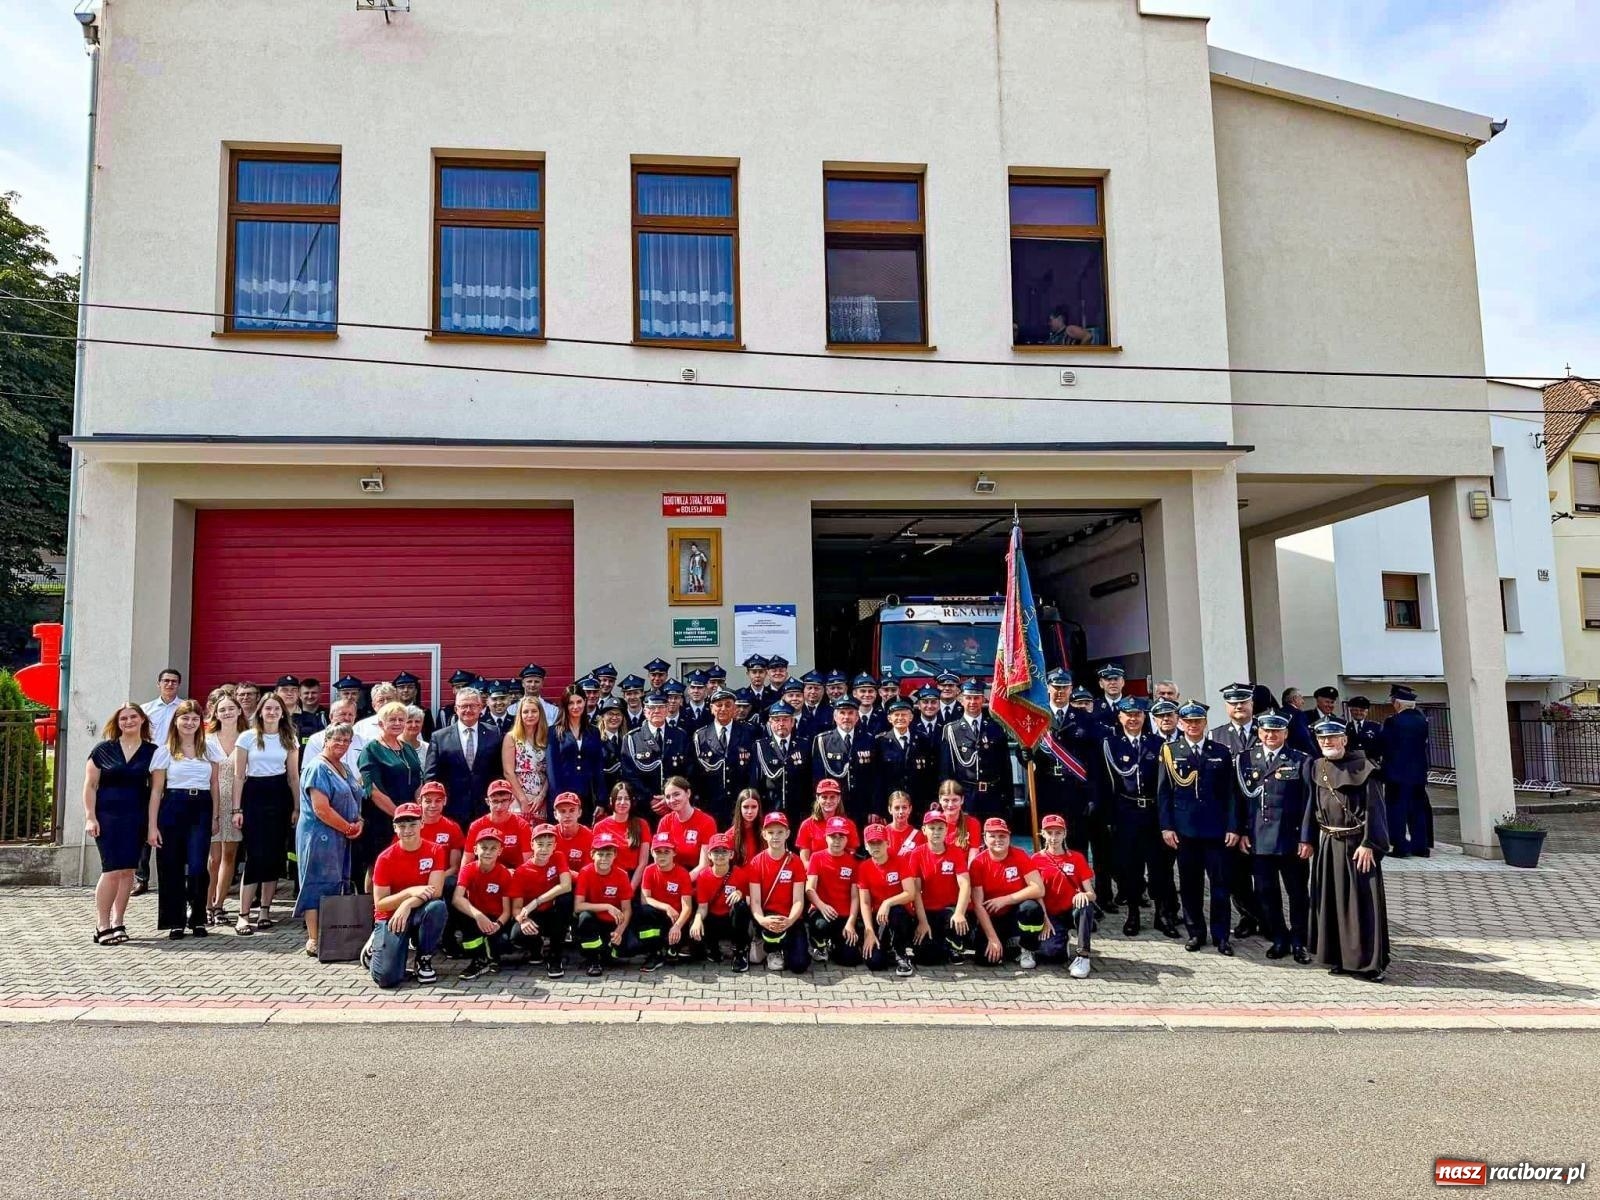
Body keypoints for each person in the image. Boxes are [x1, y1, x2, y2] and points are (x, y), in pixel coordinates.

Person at [1301, 718, 1391, 981]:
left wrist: (1369, 844)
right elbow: (1312, 806)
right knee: (1332, 903)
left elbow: (1376, 810)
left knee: (1360, 906)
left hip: (1357, 848)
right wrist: (1308, 840)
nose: (1327, 742)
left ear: (1344, 739)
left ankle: (1367, 964)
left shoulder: (1365, 768)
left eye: (1332, 737)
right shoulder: (1317, 766)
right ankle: (1339, 957)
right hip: (1329, 845)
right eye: (1322, 739)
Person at [1158, 702, 1240, 956]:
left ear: (1205, 723)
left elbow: (1230, 794)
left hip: (1216, 831)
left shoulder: (1221, 751)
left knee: (1220, 886)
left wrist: (1233, 826)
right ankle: (1196, 933)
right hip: (1185, 832)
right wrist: (1166, 827)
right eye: (1188, 721)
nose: (1193, 725)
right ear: (1180, 723)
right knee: (1190, 885)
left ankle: (1222, 936)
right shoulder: (1170, 751)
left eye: (1198, 721)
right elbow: (1163, 793)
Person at [1236, 713, 1312, 963]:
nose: (1271, 736)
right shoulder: (1246, 759)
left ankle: (1300, 940)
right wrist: (1243, 832)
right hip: (1259, 841)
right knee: (1266, 894)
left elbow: (1308, 804)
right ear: (1259, 733)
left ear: (1286, 733)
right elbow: (1240, 802)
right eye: (1266, 731)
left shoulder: (1301, 760)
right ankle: (1279, 937)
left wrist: (1306, 839)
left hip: (1291, 841)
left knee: (1298, 894)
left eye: (1277, 731)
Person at [147, 699, 222, 938]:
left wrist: (215, 816)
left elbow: (214, 785)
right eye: (185, 718)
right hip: (173, 806)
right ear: (176, 721)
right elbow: (157, 791)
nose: (190, 723)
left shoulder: (208, 748)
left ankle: (197, 916)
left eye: (194, 718)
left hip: (201, 807)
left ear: (201, 722)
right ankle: (174, 920)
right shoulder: (165, 750)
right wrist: (152, 825)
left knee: (199, 866)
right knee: (172, 865)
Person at [1103, 696, 1176, 937]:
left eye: (1138, 714)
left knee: (1160, 869)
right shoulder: (1111, 744)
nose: (1133, 718)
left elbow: (1166, 784)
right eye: (1128, 714)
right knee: (1130, 868)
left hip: (1154, 813)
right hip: (1127, 813)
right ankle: (1133, 914)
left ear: (1145, 717)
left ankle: (1161, 915)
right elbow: (1108, 783)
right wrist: (1111, 818)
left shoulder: (1158, 744)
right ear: (1120, 717)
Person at [84, 703, 156, 944]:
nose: (128, 721)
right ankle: (101, 924)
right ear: (117, 722)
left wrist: (152, 825)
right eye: (123, 718)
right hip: (107, 818)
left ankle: (118, 923)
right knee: (111, 870)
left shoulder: (152, 751)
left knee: (128, 871)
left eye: (133, 717)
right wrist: (90, 816)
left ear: (142, 720)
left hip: (136, 817)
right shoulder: (103, 750)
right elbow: (90, 785)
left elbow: (156, 790)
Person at [232, 693, 300, 935]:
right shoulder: (247, 737)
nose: (272, 712)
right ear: (260, 711)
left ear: (283, 713)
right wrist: (237, 808)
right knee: (255, 856)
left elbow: (293, 776)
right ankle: (243, 915)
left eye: (276, 709)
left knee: (274, 855)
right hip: (254, 795)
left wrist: (296, 807)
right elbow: (239, 776)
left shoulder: (289, 738)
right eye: (268, 708)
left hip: (279, 795)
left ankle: (264, 911)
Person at [295, 721, 364, 957]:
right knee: (317, 884)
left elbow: (356, 798)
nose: (342, 745)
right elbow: (321, 809)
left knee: (337, 883)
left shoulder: (343, 766)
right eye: (337, 740)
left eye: (346, 741)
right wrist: (348, 827)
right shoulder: (317, 767)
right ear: (326, 741)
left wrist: (359, 822)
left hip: (343, 835)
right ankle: (314, 938)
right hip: (319, 836)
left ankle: (334, 935)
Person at [367, 803, 448, 988]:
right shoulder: (385, 858)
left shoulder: (435, 850)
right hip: (390, 916)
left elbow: (435, 891)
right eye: (402, 825)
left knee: (438, 906)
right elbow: (380, 904)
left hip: (419, 910)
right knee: (386, 978)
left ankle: (423, 958)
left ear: (422, 824)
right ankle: (375, 946)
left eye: (412, 824)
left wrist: (408, 904)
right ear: (395, 828)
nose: (407, 830)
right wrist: (408, 893)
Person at [1210, 683, 1265, 941]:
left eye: (1243, 701)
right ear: (1226, 707)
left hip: (1263, 815)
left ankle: (1268, 918)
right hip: (1230, 815)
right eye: (1233, 703)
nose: (1238, 707)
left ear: (1252, 704)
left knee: (1265, 875)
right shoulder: (1216, 735)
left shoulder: (1266, 730)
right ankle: (1248, 916)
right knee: (1236, 876)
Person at [1031, 670, 1102, 852]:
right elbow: (1028, 754)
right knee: (1050, 846)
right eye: (1056, 687)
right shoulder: (1037, 717)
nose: (1060, 691)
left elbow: (1094, 761)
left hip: (1076, 792)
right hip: (1047, 791)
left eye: (1064, 687)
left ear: (1071, 689)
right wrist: (1024, 756)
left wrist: (1093, 796)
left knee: (1077, 847)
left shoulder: (1084, 719)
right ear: (1048, 688)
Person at [356, 701, 421, 891]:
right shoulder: (371, 750)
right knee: (377, 865)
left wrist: (415, 812)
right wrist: (399, 815)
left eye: (401, 719)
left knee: (403, 862)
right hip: (381, 818)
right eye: (392, 719)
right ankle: (372, 911)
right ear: (381, 723)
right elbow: (373, 790)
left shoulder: (407, 747)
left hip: (408, 817)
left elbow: (418, 781)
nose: (397, 723)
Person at [133, 667, 184, 895]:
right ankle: (141, 877)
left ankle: (175, 875)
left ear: (178, 685)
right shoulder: (146, 710)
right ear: (159, 684)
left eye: (174, 681)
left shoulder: (184, 708)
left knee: (171, 822)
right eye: (166, 681)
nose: (170, 685)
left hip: (176, 767)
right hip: (149, 767)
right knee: (146, 821)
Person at [969, 818, 1047, 968]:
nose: (998, 840)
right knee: (986, 960)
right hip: (992, 917)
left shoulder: (1020, 855)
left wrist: (1005, 899)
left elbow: (1039, 888)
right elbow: (978, 905)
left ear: (1009, 837)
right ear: (984, 838)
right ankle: (1008, 943)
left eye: (1002, 836)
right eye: (993, 836)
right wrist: (992, 939)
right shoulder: (978, 863)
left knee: (1031, 908)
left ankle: (1027, 948)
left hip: (1016, 912)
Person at [424, 686, 503, 829]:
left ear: (481, 708)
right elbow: (431, 776)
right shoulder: (439, 737)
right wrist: (435, 803)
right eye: (463, 706)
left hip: (486, 807)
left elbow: (499, 771)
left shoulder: (494, 733)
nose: (468, 710)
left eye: (473, 706)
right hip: (451, 809)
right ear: (456, 709)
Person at [940, 680, 1013, 824]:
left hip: (993, 795)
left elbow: (1005, 766)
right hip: (966, 796)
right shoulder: (951, 730)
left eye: (976, 697)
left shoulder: (995, 728)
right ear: (961, 700)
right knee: (965, 840)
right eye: (968, 698)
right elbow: (946, 769)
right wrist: (948, 799)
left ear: (983, 699)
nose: (972, 702)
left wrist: (1008, 799)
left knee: (991, 840)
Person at [1032, 814, 1095, 978]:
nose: (1054, 838)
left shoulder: (1077, 858)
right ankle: (1063, 940)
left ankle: (1083, 956)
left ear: (1065, 834)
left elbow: (1092, 894)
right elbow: (1035, 894)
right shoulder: (1035, 860)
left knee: (1085, 905)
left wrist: (1084, 895)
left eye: (1058, 833)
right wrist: (1044, 919)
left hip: (1070, 911)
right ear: (1042, 834)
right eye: (1050, 832)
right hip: (1050, 914)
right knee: (1050, 953)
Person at [907, 808, 972, 965]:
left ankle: (954, 946)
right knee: (927, 959)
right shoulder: (917, 854)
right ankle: (941, 945)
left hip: (948, 910)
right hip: (926, 911)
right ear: (924, 830)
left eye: (940, 828)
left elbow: (965, 884)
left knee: (952, 919)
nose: (936, 832)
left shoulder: (955, 852)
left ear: (947, 830)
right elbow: (915, 890)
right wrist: (922, 922)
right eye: (932, 828)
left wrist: (959, 913)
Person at [510, 823, 575, 979]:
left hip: (553, 913)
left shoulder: (558, 857)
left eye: (549, 845)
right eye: (540, 844)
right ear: (532, 845)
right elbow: (517, 908)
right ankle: (536, 948)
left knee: (566, 899)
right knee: (517, 935)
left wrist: (537, 901)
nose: (544, 849)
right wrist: (523, 921)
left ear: (555, 846)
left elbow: (566, 885)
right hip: (534, 915)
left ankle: (555, 956)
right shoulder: (522, 872)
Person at [451, 828, 516, 981]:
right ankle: (478, 960)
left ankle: (492, 955)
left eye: (493, 848)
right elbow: (457, 898)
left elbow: (507, 911)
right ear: (475, 850)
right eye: (484, 848)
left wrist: (497, 925)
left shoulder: (504, 873)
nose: (488, 852)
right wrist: (478, 916)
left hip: (496, 918)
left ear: (500, 851)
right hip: (475, 914)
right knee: (460, 915)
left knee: (503, 942)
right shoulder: (468, 870)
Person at [748, 812, 809, 973]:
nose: (775, 837)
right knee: (770, 928)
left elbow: (798, 900)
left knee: (799, 965)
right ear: (764, 835)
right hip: (767, 915)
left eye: (780, 832)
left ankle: (787, 946)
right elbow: (755, 901)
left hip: (790, 917)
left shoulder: (795, 861)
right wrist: (762, 920)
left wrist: (790, 920)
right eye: (771, 832)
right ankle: (771, 949)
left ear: (788, 833)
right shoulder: (756, 862)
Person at [205, 694, 246, 926]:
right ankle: (206, 904)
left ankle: (220, 904)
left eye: (231, 708)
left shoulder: (247, 738)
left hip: (237, 802)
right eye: (222, 709)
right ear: (216, 714)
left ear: (239, 711)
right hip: (212, 800)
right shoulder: (207, 739)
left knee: (229, 855)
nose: (227, 712)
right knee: (213, 858)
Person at [855, 824, 917, 977]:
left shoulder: (900, 861)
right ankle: (887, 949)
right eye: (872, 843)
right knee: (874, 963)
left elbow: (910, 893)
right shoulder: (864, 867)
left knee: (896, 912)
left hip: (900, 915)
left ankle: (901, 953)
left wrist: (887, 902)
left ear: (887, 843)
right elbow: (865, 903)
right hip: (879, 918)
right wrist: (868, 930)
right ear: (866, 846)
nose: (876, 846)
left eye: (879, 842)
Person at [691, 687, 757, 826]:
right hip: (710, 803)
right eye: (719, 705)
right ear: (711, 708)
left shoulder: (749, 732)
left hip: (740, 802)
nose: (723, 708)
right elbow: (695, 772)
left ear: (735, 708)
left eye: (728, 705)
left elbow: (753, 770)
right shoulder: (701, 735)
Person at [573, 831, 634, 977]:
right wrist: (607, 906)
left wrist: (620, 930)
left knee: (631, 948)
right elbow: (578, 906)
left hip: (612, 924)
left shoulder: (622, 875)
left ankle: (607, 953)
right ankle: (593, 960)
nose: (604, 859)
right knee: (585, 917)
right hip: (593, 922)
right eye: (600, 854)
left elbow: (627, 909)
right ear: (592, 854)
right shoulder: (585, 872)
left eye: (608, 854)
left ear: (615, 855)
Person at [1381, 685, 1432, 857]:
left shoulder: (1393, 722)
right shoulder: (1422, 721)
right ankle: (1420, 847)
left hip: (1396, 774)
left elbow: (1384, 746)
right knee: (1417, 811)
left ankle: (1400, 846)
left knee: (1396, 811)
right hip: (1418, 774)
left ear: (1397, 703)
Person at [804, 817, 863, 966]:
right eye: (833, 836)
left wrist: (851, 922)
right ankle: (819, 945)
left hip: (844, 915)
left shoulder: (854, 863)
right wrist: (822, 906)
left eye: (841, 836)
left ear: (847, 839)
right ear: (826, 837)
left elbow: (855, 897)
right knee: (820, 925)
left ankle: (836, 945)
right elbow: (809, 889)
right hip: (821, 912)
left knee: (850, 960)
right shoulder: (816, 858)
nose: (837, 841)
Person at [812, 696, 878, 825]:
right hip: (834, 806)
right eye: (842, 713)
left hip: (862, 806)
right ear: (835, 717)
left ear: (857, 717)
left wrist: (874, 808)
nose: (846, 717)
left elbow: (875, 777)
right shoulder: (822, 741)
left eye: (850, 713)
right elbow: (818, 777)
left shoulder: (869, 740)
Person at [689, 832, 750, 971]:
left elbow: (750, 901)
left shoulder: (739, 874)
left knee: (741, 907)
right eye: (716, 851)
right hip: (713, 919)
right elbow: (702, 907)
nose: (720, 855)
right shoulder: (703, 876)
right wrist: (698, 919)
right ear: (709, 855)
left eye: (724, 851)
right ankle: (712, 948)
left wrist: (740, 893)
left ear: (731, 855)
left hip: (731, 920)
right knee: (695, 928)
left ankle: (740, 952)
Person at [634, 833, 694, 971]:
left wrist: (677, 926)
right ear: (651, 853)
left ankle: (673, 947)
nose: (662, 856)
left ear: (674, 853)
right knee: (644, 911)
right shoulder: (649, 870)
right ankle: (653, 953)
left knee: (686, 952)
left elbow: (687, 907)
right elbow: (645, 899)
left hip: (677, 920)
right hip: (657, 916)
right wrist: (666, 906)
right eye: (658, 852)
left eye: (666, 852)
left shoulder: (682, 873)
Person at [622, 693, 691, 805]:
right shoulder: (632, 738)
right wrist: (650, 798)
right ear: (645, 711)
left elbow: (687, 771)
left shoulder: (680, 736)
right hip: (644, 805)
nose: (657, 711)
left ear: (667, 709)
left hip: (675, 804)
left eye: (661, 707)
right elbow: (629, 774)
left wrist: (669, 798)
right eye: (652, 707)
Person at [548, 686, 603, 821]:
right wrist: (558, 800)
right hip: (563, 796)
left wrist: (601, 799)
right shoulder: (554, 732)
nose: (575, 706)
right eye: (571, 703)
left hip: (586, 796)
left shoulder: (593, 731)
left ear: (585, 702)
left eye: (579, 702)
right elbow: (552, 769)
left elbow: (598, 767)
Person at [752, 701, 811, 824]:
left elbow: (809, 780)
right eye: (777, 720)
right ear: (770, 723)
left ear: (793, 722)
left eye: (785, 719)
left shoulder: (804, 745)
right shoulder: (761, 747)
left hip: (798, 811)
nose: (781, 724)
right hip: (771, 808)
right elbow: (755, 783)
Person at [592, 782, 651, 889]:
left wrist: (630, 889)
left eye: (627, 799)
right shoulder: (599, 826)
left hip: (632, 879)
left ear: (632, 801)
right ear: (611, 801)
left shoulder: (642, 824)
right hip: (607, 877)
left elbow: (643, 863)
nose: (622, 802)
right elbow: (595, 859)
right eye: (619, 798)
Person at [503, 695, 551, 821]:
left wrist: (541, 797)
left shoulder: (548, 737)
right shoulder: (511, 737)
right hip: (519, 796)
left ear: (540, 713)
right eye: (526, 711)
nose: (530, 715)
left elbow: (552, 770)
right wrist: (523, 800)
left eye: (534, 711)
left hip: (542, 797)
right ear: (520, 714)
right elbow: (508, 772)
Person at [467, 780, 534, 870]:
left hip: (515, 874)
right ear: (488, 802)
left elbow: (528, 863)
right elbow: (467, 861)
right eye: (495, 801)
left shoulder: (522, 826)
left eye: (504, 801)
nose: (499, 806)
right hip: (486, 873)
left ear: (511, 801)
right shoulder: (476, 826)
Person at [656, 776, 718, 873]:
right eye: (668, 797)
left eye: (676, 794)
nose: (672, 800)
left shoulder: (707, 822)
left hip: (697, 878)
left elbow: (704, 865)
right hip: (671, 877)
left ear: (688, 793)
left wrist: (683, 881)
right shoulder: (665, 822)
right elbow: (661, 858)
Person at [796, 779, 860, 863]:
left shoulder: (849, 824)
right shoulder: (807, 825)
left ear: (839, 798)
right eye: (824, 797)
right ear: (817, 798)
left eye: (832, 797)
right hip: (815, 873)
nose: (828, 801)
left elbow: (851, 855)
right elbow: (805, 860)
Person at [417, 781, 465, 876]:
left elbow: (455, 867)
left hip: (442, 878)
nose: (433, 805)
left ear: (445, 801)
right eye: (428, 801)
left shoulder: (452, 827)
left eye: (438, 800)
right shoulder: (410, 826)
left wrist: (435, 881)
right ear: (419, 802)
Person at [935, 781, 984, 857]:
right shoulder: (933, 823)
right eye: (946, 800)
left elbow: (973, 853)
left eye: (955, 800)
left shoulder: (973, 823)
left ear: (962, 800)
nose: (950, 805)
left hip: (963, 868)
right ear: (940, 799)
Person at [552, 791, 595, 876]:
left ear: (579, 812)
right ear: (555, 815)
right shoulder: (550, 835)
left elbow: (589, 873)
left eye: (572, 810)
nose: (567, 815)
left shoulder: (589, 836)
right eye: (563, 811)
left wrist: (566, 874)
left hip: (579, 882)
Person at [726, 788, 764, 867]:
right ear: (739, 808)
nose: (750, 811)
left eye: (754, 807)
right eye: (746, 807)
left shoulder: (766, 832)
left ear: (759, 808)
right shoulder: (730, 835)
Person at [517, 663, 561, 728]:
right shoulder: (512, 708)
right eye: (529, 681)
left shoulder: (553, 710)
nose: (533, 685)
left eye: (537, 682)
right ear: (523, 683)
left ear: (542, 683)